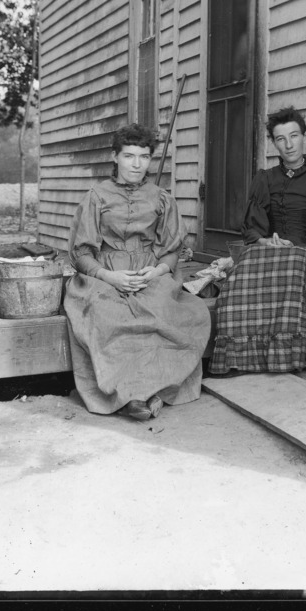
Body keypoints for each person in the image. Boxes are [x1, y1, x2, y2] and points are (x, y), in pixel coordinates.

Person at [64, 123, 211, 420]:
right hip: (105, 275)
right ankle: (129, 394)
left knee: (175, 311)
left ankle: (156, 389)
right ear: (115, 157)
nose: (136, 164)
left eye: (144, 157)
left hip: (150, 273)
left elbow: (172, 250)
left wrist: (156, 272)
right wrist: (109, 277)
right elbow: (81, 254)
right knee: (108, 314)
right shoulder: (96, 196)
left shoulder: (161, 198)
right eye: (129, 156)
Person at [208, 106, 306, 376]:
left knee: (294, 261)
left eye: (294, 136)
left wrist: (297, 247)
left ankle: (287, 353)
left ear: (305, 136)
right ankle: (242, 355)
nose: (289, 144)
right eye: (281, 139)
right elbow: (251, 229)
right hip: (270, 250)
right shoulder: (265, 179)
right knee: (244, 263)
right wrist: (263, 242)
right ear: (273, 143)